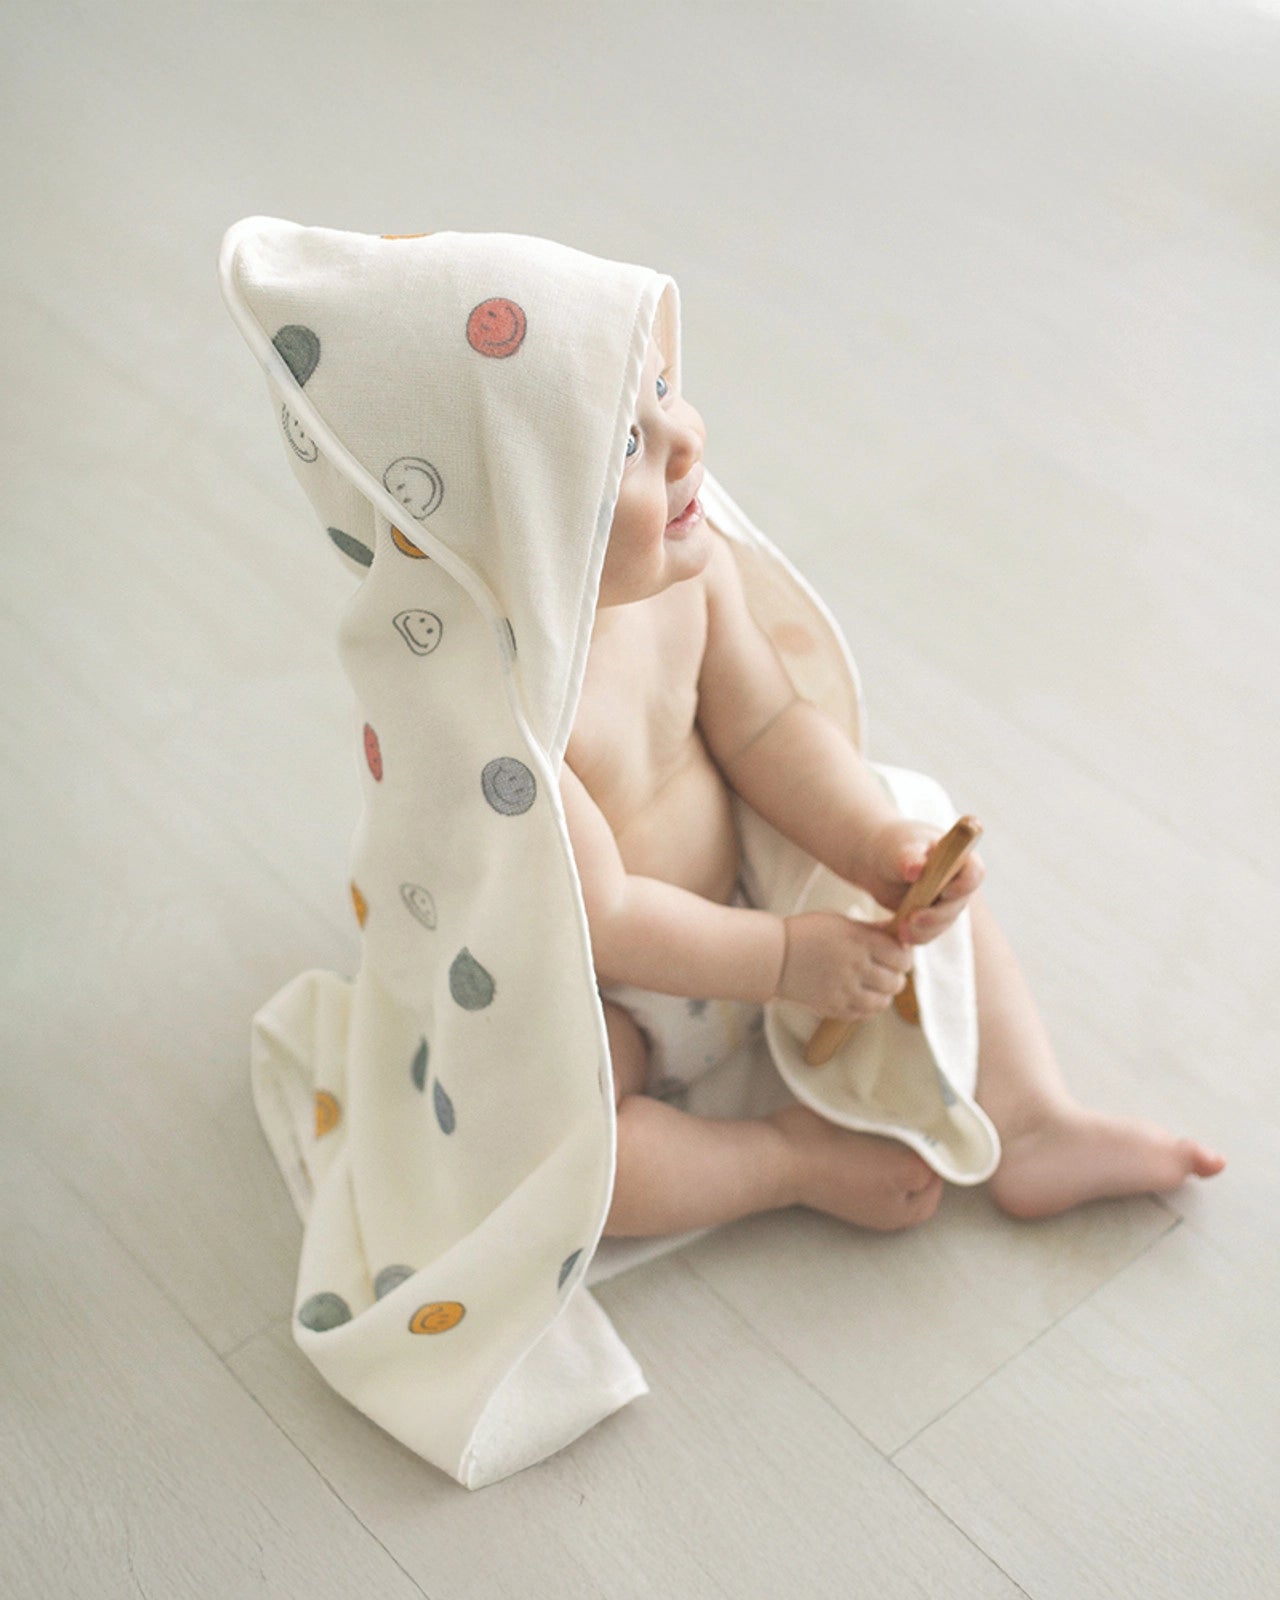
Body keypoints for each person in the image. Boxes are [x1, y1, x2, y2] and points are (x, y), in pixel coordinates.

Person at [561, 336, 1225, 1238]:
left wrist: (871, 842)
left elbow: (764, 728)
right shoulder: (516, 718)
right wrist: (786, 962)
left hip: (753, 901)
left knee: (912, 813)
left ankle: (1031, 1120)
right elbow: (608, 917)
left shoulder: (692, 569)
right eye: (628, 444)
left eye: (667, 392)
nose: (684, 443)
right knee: (561, 1159)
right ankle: (780, 1161)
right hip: (615, 996)